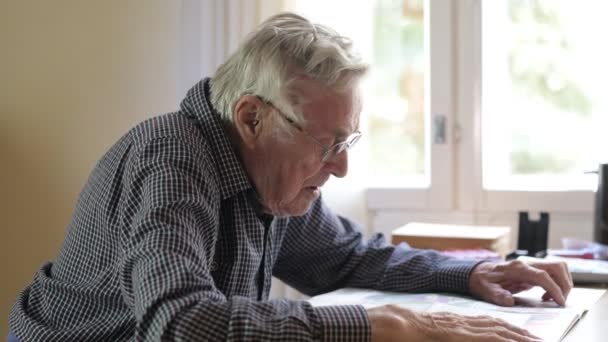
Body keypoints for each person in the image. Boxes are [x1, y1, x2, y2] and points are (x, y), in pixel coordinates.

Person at [9, 12, 571, 342]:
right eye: (325, 144)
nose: (342, 166)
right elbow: (179, 325)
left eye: (345, 141)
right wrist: (380, 327)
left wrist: (476, 274)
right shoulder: (172, 160)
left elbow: (353, 257)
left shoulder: (266, 178)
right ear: (252, 117)